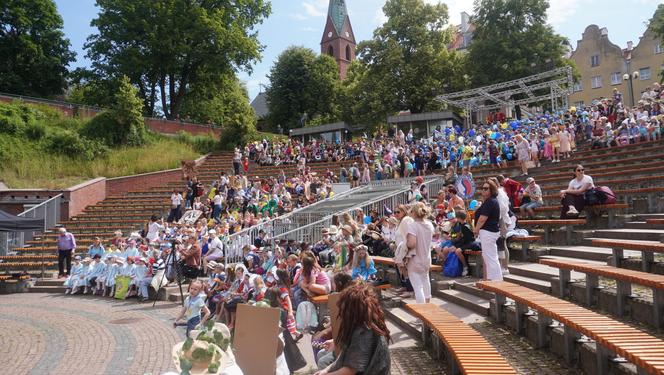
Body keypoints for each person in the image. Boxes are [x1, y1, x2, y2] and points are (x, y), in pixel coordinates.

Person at [314, 282, 391, 375]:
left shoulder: (364, 332)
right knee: (323, 360)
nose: (341, 312)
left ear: (352, 310)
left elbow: (350, 371)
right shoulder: (363, 324)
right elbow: (343, 357)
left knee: (323, 361)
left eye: (343, 308)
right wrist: (325, 371)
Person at [405, 202, 434, 303]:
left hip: (415, 259)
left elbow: (412, 243)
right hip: (426, 258)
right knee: (426, 281)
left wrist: (405, 244)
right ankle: (428, 307)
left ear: (414, 213)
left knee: (418, 287)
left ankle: (422, 314)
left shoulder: (412, 225)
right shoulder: (429, 225)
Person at [473, 180, 503, 281]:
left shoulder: (491, 201)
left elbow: (482, 218)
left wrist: (476, 230)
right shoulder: (489, 201)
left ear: (492, 190)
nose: (483, 190)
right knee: (488, 257)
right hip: (488, 232)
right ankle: (491, 280)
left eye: (486, 188)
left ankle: (496, 281)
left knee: (491, 258)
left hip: (488, 232)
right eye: (483, 188)